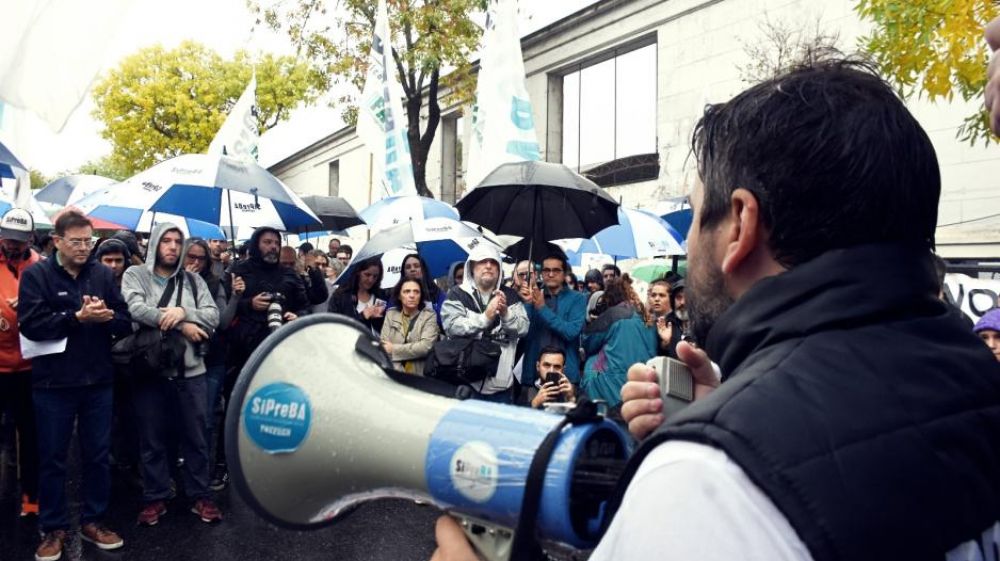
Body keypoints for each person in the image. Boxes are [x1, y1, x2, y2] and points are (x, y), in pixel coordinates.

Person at [435, 58, 1000, 561]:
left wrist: (725, 435)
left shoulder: (705, 484)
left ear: (739, 225)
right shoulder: (982, 380)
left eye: (693, 211)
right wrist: (738, 397)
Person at [19, 210, 132, 560]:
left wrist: (107, 316)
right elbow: (31, 324)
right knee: (53, 457)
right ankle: (53, 528)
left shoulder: (101, 274)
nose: (84, 248)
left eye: (88, 241)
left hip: (97, 379)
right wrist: (76, 318)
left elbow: (125, 320)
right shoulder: (37, 275)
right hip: (53, 383)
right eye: (77, 242)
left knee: (97, 454)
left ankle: (93, 520)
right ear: (57, 241)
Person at [122, 224, 222, 527]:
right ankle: (156, 496)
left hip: (191, 373)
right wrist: (180, 322)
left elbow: (213, 315)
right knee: (152, 439)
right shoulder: (135, 275)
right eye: (166, 240)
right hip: (151, 371)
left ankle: (199, 495)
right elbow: (136, 308)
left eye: (178, 241)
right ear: (155, 243)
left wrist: (184, 312)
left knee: (196, 438)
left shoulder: (193, 281)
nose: (172, 247)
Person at [440, 245, 529, 403]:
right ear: (472, 266)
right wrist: (485, 317)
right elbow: (451, 326)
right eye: (482, 261)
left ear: (499, 269)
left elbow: (523, 328)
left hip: (501, 385)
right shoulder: (456, 293)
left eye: (493, 262)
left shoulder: (511, 296)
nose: (488, 266)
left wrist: (505, 313)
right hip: (466, 383)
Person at [0, 208, 41, 518]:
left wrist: (28, 304)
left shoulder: (40, 266)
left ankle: (31, 499)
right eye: (7, 239)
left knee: (30, 436)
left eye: (18, 240)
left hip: (30, 366)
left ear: (29, 238)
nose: (12, 246)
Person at [579, 275, 655, 408]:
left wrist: (594, 321)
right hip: (642, 381)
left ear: (609, 298)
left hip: (613, 383)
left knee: (591, 371)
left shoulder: (613, 315)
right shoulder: (645, 316)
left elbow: (589, 342)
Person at [517, 253, 586, 391]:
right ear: (541, 273)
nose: (550, 274)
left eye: (556, 270)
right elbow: (522, 331)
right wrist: (527, 303)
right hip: (534, 375)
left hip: (566, 377)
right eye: (546, 270)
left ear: (565, 273)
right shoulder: (534, 295)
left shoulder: (577, 299)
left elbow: (571, 332)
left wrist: (542, 308)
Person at [380, 277, 440, 375]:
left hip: (419, 376)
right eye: (407, 291)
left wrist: (394, 349)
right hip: (394, 375)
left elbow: (426, 347)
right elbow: (384, 347)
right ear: (399, 295)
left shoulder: (429, 316)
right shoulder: (391, 314)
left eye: (416, 292)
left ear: (421, 296)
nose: (412, 295)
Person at [328, 256, 386, 335]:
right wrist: (363, 316)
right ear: (358, 272)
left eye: (375, 276)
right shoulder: (341, 295)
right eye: (367, 274)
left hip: (372, 344)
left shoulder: (381, 295)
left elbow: (384, 328)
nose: (371, 280)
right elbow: (333, 325)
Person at [394, 253, 446, 321]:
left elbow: (446, 318)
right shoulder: (397, 295)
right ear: (404, 272)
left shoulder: (437, 293)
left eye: (416, 266)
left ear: (423, 270)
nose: (412, 269)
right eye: (408, 267)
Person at [281, 246, 328, 310]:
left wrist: (314, 270)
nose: (288, 267)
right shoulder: (269, 279)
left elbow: (319, 297)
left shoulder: (300, 281)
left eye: (291, 264)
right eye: (284, 263)